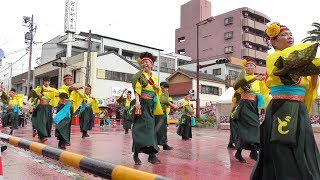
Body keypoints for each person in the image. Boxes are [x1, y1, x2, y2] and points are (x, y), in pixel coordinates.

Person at [251, 22, 320, 179]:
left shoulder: (301, 61)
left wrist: (314, 74)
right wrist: (310, 49)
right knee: (282, 146)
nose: (289, 36)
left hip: (299, 108)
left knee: (304, 145)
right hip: (282, 107)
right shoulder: (274, 57)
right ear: (273, 42)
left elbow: (309, 87)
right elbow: (288, 59)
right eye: (284, 34)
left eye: (290, 34)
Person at [232, 59, 270, 162]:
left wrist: (266, 79)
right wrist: (255, 78)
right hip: (245, 104)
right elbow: (237, 88)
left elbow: (264, 91)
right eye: (247, 66)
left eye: (251, 66)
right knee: (254, 126)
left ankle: (241, 152)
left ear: (255, 68)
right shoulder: (243, 79)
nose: (249, 67)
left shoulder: (258, 79)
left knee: (248, 128)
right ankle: (253, 151)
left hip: (254, 105)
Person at [131, 52, 163, 165]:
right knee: (139, 129)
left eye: (147, 62)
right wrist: (138, 102)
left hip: (151, 105)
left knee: (150, 129)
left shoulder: (154, 77)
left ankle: (151, 155)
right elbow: (137, 90)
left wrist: (157, 88)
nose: (145, 64)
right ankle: (137, 154)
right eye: (143, 62)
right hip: (142, 104)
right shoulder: (140, 76)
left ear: (152, 65)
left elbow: (157, 94)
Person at [54, 74, 83, 149]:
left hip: (69, 108)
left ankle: (64, 141)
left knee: (67, 125)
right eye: (67, 80)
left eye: (70, 80)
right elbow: (70, 88)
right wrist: (75, 88)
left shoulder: (73, 91)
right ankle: (62, 141)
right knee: (63, 123)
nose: (69, 81)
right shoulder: (64, 87)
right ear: (64, 81)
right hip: (63, 107)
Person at [29, 76, 59, 143]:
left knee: (48, 121)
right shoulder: (39, 88)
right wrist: (39, 95)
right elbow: (34, 94)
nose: (47, 83)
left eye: (48, 81)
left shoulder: (52, 89)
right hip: (41, 106)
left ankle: (40, 134)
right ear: (43, 82)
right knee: (41, 121)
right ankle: (42, 136)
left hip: (49, 107)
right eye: (45, 81)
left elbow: (58, 93)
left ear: (49, 82)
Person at [155, 81, 178, 150]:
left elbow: (167, 101)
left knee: (164, 129)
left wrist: (172, 106)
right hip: (158, 113)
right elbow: (163, 100)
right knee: (157, 128)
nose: (167, 89)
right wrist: (172, 105)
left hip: (163, 113)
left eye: (167, 88)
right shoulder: (157, 92)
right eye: (165, 88)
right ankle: (155, 145)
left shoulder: (165, 94)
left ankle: (164, 144)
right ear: (161, 87)